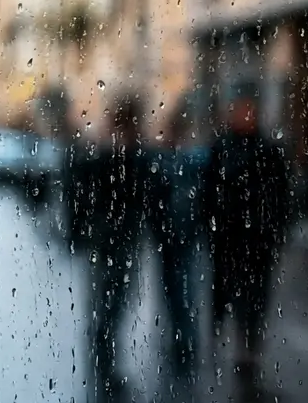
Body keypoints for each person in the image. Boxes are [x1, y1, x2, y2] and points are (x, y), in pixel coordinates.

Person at [202, 82, 288, 396]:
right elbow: (208, 194)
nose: (245, 115)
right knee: (235, 293)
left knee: (257, 295)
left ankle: (250, 347)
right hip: (229, 237)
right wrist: (212, 231)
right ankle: (241, 344)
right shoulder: (221, 149)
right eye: (240, 109)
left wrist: (277, 231)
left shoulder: (268, 150)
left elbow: (281, 196)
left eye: (249, 109)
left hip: (259, 238)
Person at [67, 93, 147, 403]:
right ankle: (102, 356)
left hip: (120, 239)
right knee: (106, 299)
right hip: (106, 239)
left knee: (115, 300)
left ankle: (103, 354)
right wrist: (79, 232)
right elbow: (82, 197)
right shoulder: (105, 157)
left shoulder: (131, 158)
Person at [146, 104, 208, 384]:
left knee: (181, 285)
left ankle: (185, 337)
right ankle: (181, 334)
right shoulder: (167, 160)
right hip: (169, 237)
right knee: (175, 285)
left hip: (182, 236)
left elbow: (202, 199)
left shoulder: (192, 160)